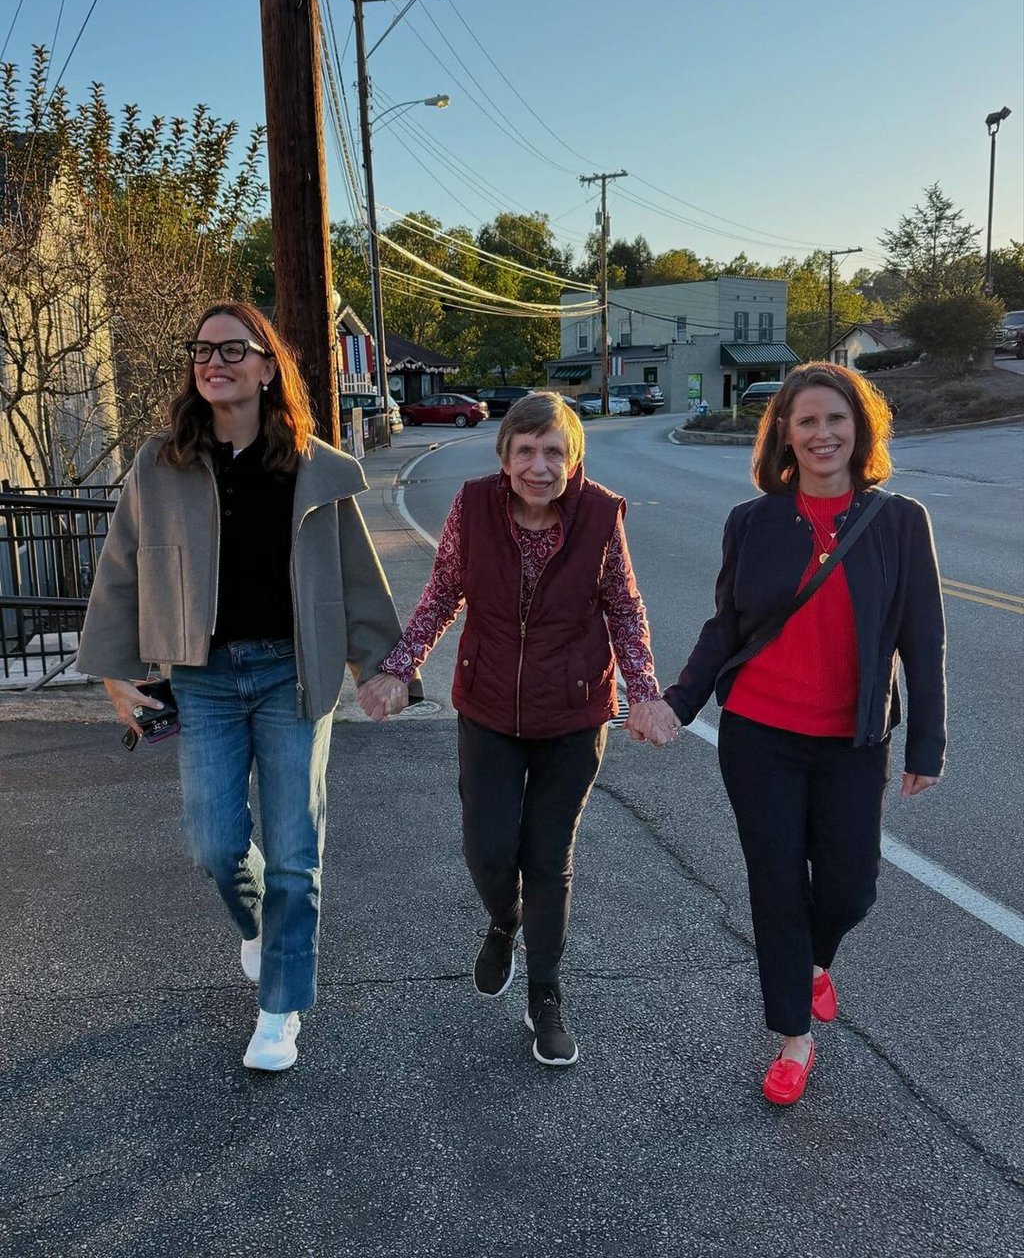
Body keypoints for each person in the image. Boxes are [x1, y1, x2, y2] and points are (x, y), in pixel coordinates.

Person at [77, 301, 416, 1071]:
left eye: (233, 349)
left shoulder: (315, 467)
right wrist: (114, 673)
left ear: (268, 367)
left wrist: (386, 668)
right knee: (215, 843)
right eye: (202, 350)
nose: (214, 362)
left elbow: (356, 578)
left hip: (292, 674)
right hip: (203, 678)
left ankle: (280, 1009)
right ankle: (263, 928)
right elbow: (122, 569)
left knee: (295, 852)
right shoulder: (160, 465)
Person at [359, 393, 678, 1066]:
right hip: (489, 708)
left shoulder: (600, 516)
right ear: (504, 458)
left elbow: (624, 608)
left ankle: (545, 993)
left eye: (554, 451)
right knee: (488, 850)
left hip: (573, 714)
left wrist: (645, 694)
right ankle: (505, 920)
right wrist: (398, 666)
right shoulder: (474, 507)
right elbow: (443, 593)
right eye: (526, 451)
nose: (540, 466)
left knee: (548, 858)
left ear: (574, 458)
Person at [662, 362, 946, 1105]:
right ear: (784, 434)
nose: (823, 434)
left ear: (860, 429)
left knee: (851, 889)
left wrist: (928, 743)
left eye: (836, 419)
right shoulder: (752, 522)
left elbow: (924, 639)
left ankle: (811, 964)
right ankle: (794, 1036)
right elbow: (726, 626)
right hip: (759, 734)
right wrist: (677, 704)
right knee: (777, 885)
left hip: (853, 739)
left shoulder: (899, 522)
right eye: (807, 421)